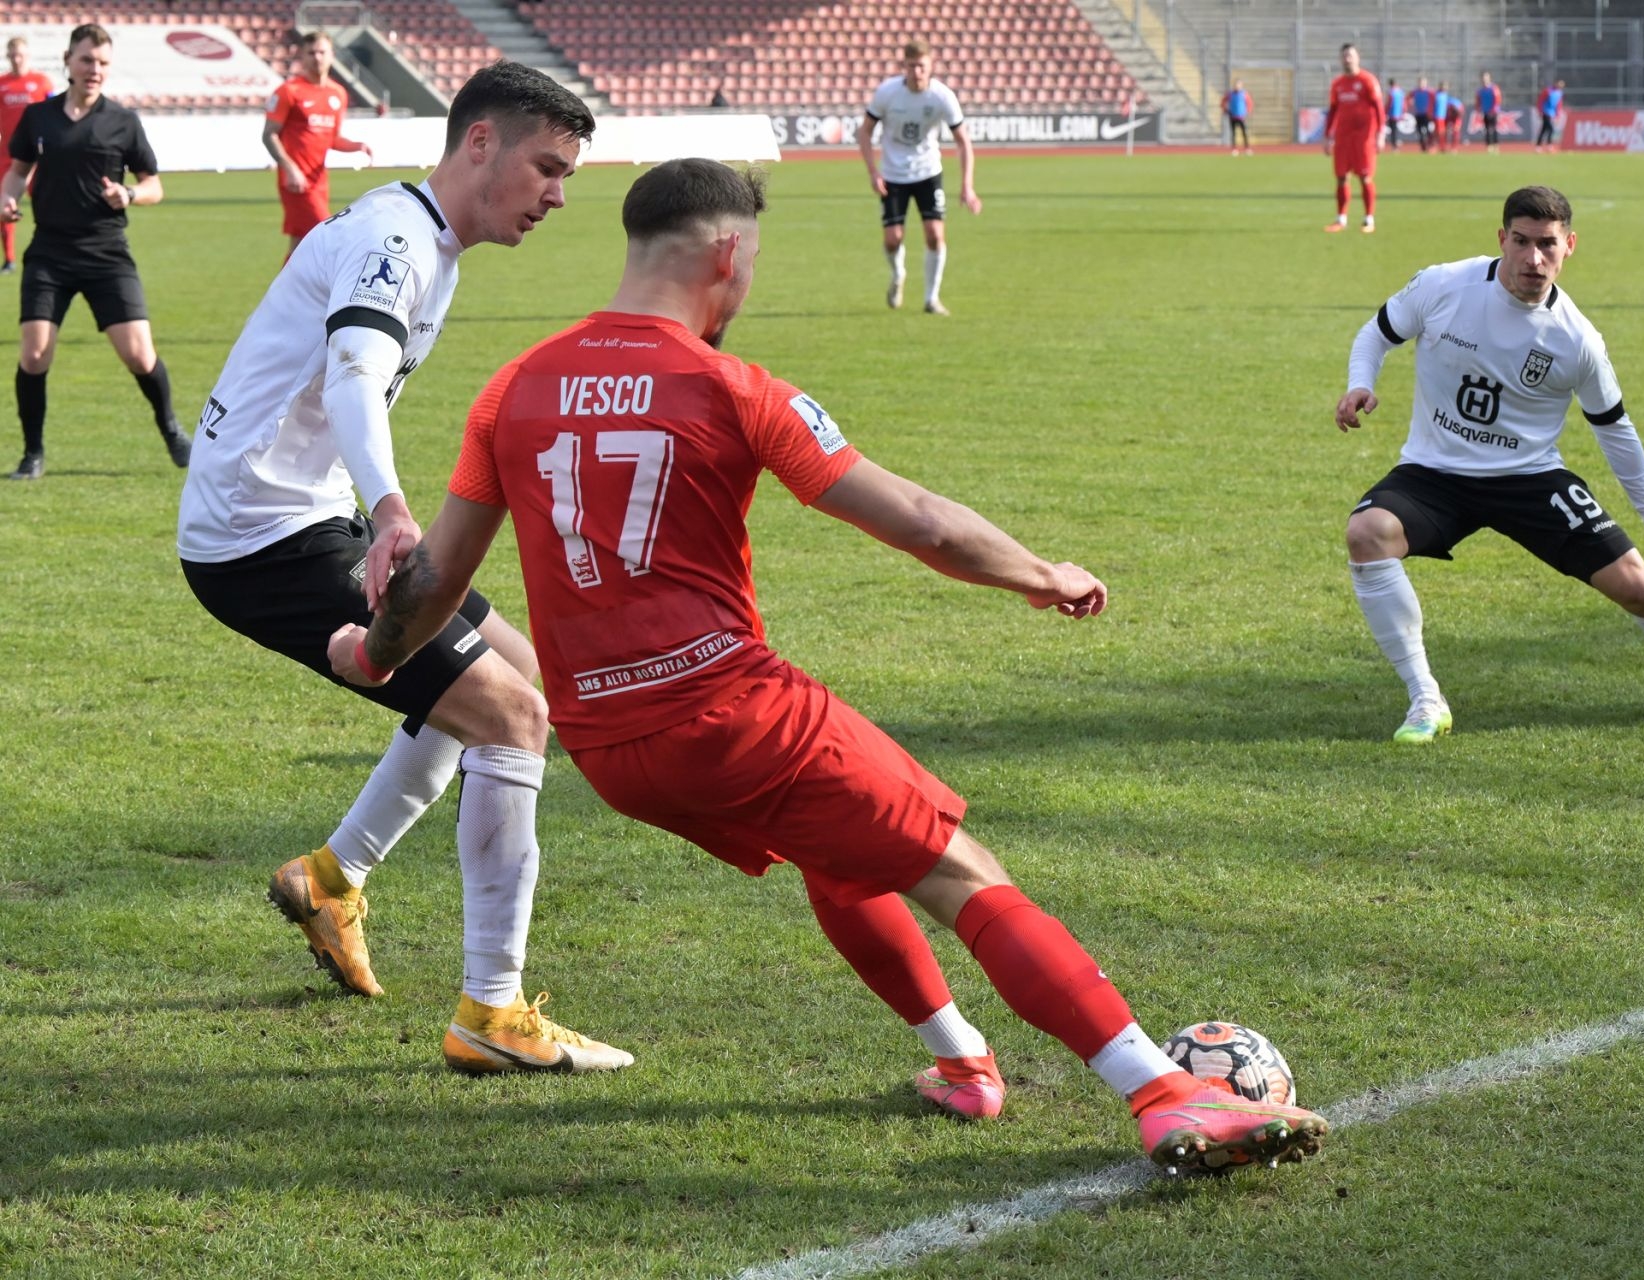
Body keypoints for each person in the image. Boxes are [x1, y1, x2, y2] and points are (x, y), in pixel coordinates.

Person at [326, 157, 1333, 1174]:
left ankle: (963, 1061)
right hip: (733, 714)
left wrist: (373, 653)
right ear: (728, 252)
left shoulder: (513, 388)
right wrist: (1043, 573)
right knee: (960, 869)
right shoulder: (732, 387)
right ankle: (1163, 1092)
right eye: (752, 262)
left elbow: (437, 574)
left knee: (837, 848)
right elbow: (925, 522)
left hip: (609, 747)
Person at [177, 62, 632, 1076]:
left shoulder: (424, 238)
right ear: (481, 143)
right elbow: (354, 374)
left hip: (303, 512)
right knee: (510, 715)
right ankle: (492, 1013)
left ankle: (332, 878)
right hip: (261, 536)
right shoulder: (395, 243)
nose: (558, 195)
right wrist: (389, 510)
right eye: (547, 168)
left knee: (524, 682)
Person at [1334, 185, 1644, 743]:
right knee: (1366, 533)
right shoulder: (1443, 285)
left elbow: (1614, 429)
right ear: (1502, 239)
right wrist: (1360, 383)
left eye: (1548, 245)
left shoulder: (1577, 339)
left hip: (1530, 477)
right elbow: (1377, 333)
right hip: (1435, 473)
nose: (1534, 259)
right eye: (1522, 241)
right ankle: (1425, 698)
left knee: (1643, 590)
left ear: (1569, 246)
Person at [1, 24, 185, 482]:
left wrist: (130, 195)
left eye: (102, 63)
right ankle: (32, 454)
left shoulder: (123, 121)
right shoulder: (39, 117)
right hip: (50, 252)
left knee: (139, 356)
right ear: (68, 61)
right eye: (86, 60)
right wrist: (7, 197)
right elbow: (18, 171)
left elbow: (154, 185)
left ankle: (172, 431)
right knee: (34, 354)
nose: (95, 70)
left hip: (107, 254)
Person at [857, 39, 980, 316]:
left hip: (928, 172)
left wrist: (967, 186)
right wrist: (873, 171)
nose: (917, 72)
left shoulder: (942, 96)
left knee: (935, 235)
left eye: (922, 66)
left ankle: (931, 299)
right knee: (892, 239)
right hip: (893, 175)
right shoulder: (887, 93)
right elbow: (864, 131)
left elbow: (963, 141)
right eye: (911, 66)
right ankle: (898, 274)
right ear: (904, 66)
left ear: (931, 66)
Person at [264, 31, 373, 261]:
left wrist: (356, 146)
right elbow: (269, 135)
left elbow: (332, 138)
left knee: (301, 243)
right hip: (296, 180)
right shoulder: (289, 91)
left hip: (319, 180)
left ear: (332, 55)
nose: (317, 57)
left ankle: (287, 285)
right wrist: (289, 168)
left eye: (322, 52)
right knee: (326, 234)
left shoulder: (338, 93)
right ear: (302, 57)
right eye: (311, 53)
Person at [0, 37, 53, 273]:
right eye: (12, 55)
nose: (16, 59)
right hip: (7, 156)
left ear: (27, 56)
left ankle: (51, 253)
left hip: (39, 157)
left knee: (46, 204)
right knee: (5, 206)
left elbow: (55, 112)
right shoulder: (1, 84)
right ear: (7, 56)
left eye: (20, 54)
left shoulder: (41, 82)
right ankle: (9, 259)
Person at [1323, 43, 1383, 233]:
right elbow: (1333, 110)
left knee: (1365, 177)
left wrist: (1380, 133)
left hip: (1364, 138)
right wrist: (1328, 136)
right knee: (1341, 177)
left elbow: (1379, 108)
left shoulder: (1367, 80)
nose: (1347, 59)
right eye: (1344, 56)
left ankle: (1369, 219)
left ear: (1358, 58)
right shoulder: (1337, 84)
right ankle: (1341, 219)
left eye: (1350, 55)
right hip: (1343, 138)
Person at [1221, 78, 1251, 154]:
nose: (1237, 86)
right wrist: (1225, 109)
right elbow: (1223, 101)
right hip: (1233, 116)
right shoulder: (1230, 94)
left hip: (1241, 116)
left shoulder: (1244, 94)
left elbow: (1249, 103)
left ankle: (1247, 148)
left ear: (1241, 85)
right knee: (1233, 133)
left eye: (1239, 84)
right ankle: (1234, 149)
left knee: (1244, 132)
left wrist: (1247, 111)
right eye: (1236, 84)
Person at [1475, 71, 1502, 151]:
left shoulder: (1494, 88)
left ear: (1489, 78)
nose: (1485, 79)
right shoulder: (1480, 90)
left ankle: (1496, 144)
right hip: (1485, 112)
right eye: (1483, 77)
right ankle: (1489, 145)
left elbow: (1498, 100)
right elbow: (1478, 101)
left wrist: (1495, 110)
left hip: (1493, 112)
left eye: (1486, 77)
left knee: (1494, 128)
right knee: (1487, 129)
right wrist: (1478, 110)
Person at [1535, 79, 1565, 152]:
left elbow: (1558, 104)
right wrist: (1540, 111)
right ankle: (1549, 145)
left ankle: (1538, 146)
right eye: (1559, 84)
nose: (1560, 86)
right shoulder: (1548, 91)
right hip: (1546, 112)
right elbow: (1540, 101)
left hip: (1552, 113)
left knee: (1544, 129)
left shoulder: (1559, 93)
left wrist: (1557, 115)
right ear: (1556, 84)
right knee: (1551, 129)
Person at [1409, 76, 1435, 152]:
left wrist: (1431, 111)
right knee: (1419, 130)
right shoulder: (1415, 91)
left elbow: (1435, 101)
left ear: (1426, 83)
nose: (1421, 84)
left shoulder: (1430, 92)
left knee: (1428, 130)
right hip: (1418, 114)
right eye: (1420, 82)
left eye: (1423, 82)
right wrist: (1411, 104)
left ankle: (1430, 145)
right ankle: (1423, 146)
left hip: (1427, 114)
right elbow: (1408, 98)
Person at [1440, 81, 1465, 151]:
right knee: (1443, 132)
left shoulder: (1454, 101)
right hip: (1446, 117)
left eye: (1446, 87)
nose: (1444, 88)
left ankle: (1454, 148)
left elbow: (1461, 111)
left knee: (1456, 131)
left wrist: (1458, 114)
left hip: (1456, 117)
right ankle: (1443, 147)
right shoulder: (1439, 96)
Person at [1385, 78, 1405, 151]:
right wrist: (1403, 112)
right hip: (1398, 113)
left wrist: (1385, 112)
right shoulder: (1400, 91)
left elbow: (1389, 104)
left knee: (1393, 130)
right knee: (1395, 129)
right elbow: (1403, 103)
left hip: (1392, 114)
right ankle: (1396, 142)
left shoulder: (1391, 92)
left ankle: (1394, 145)